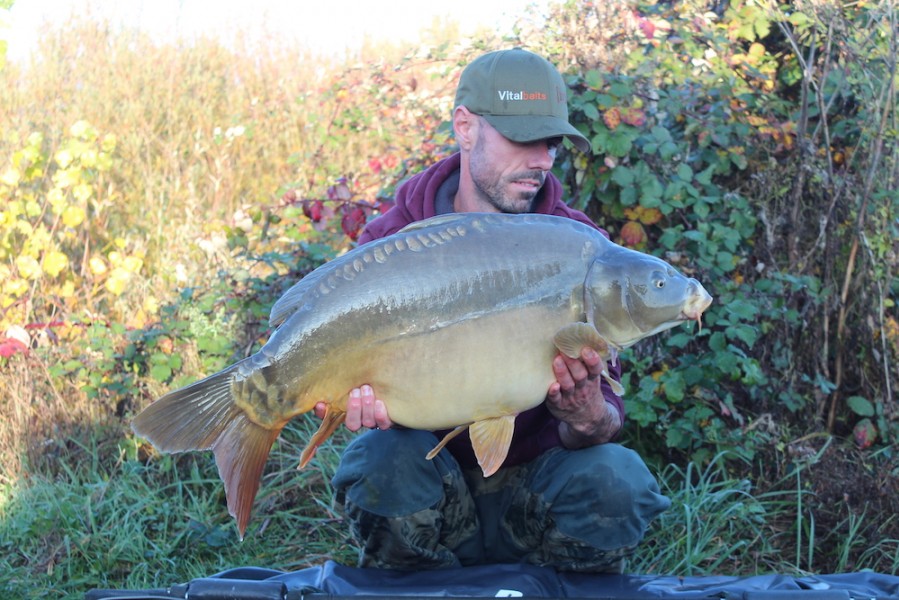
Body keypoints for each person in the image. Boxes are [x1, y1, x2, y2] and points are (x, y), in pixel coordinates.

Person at [314, 48, 670, 573]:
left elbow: (599, 429)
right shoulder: (390, 243)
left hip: (535, 488)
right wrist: (353, 406)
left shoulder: (582, 250)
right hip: (433, 485)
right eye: (525, 139)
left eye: (550, 142)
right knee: (378, 461)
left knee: (617, 477)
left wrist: (585, 415)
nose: (544, 160)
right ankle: (424, 584)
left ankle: (553, 584)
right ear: (464, 127)